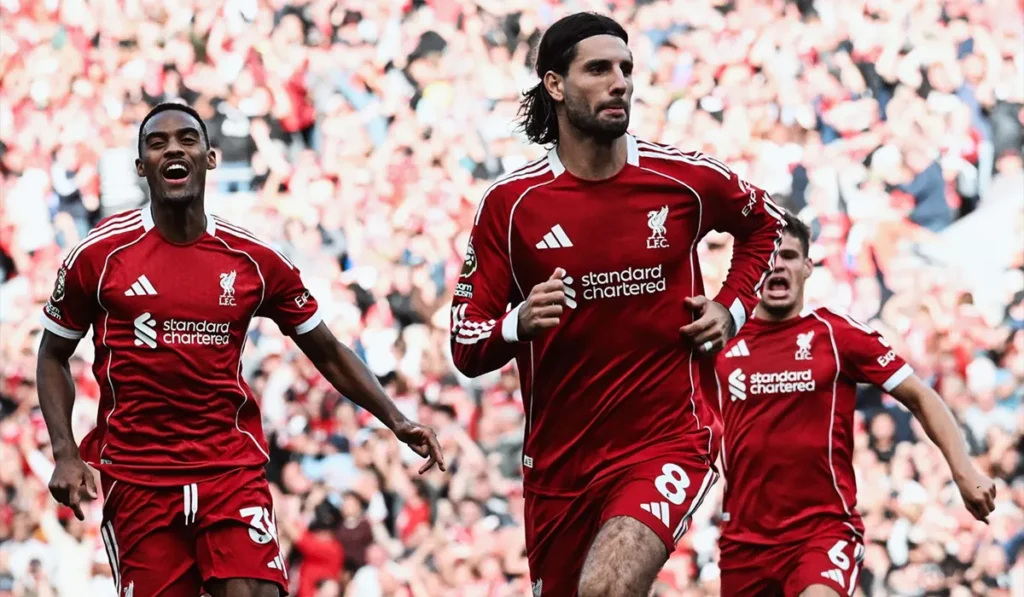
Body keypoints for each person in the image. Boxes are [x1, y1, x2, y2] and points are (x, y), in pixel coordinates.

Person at [35, 102, 445, 597]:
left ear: (210, 158)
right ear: (141, 166)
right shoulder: (100, 255)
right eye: (158, 143)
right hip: (139, 474)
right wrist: (65, 452)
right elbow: (52, 354)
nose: (173, 149)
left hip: (229, 468)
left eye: (187, 139)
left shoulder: (253, 260)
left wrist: (396, 419)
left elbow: (327, 349)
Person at [449, 12, 785, 597]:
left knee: (606, 590)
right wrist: (516, 324)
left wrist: (731, 307)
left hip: (669, 438)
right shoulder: (512, 205)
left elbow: (766, 225)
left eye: (626, 69)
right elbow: (465, 343)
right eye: (599, 69)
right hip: (560, 467)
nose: (620, 82)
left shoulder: (683, 179)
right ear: (555, 85)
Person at [712, 211, 997, 597]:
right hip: (744, 543)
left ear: (808, 267)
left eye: (790, 256)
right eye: (768, 257)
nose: (778, 265)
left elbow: (919, 395)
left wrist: (963, 471)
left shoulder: (836, 334)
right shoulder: (720, 339)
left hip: (822, 533)